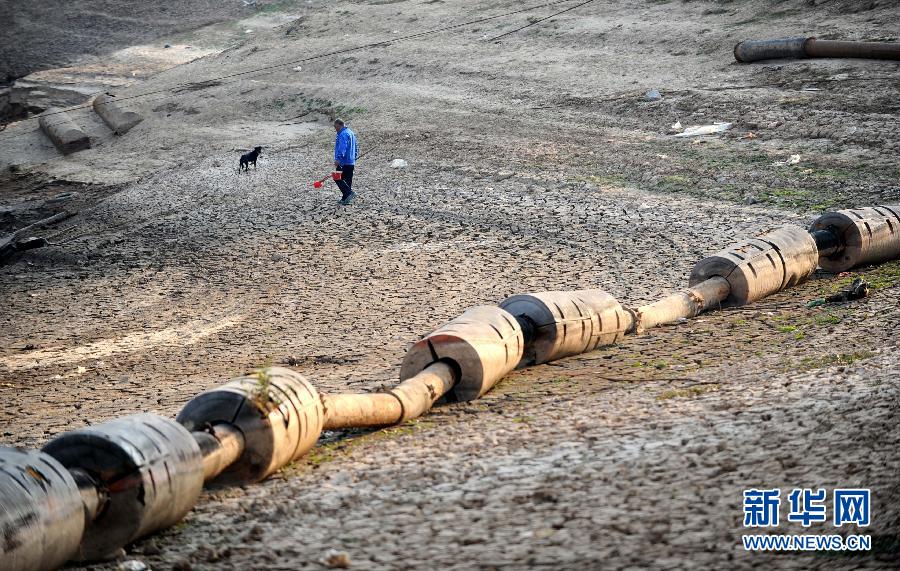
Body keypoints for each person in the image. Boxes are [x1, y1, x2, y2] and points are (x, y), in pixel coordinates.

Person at [332, 118, 358, 205]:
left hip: (344, 161)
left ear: (339, 125)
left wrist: (338, 159)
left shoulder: (343, 134)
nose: (335, 129)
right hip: (351, 161)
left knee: (337, 177)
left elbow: (343, 148)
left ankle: (349, 193)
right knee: (347, 180)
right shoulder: (350, 132)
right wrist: (355, 156)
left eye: (335, 127)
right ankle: (345, 198)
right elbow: (356, 146)